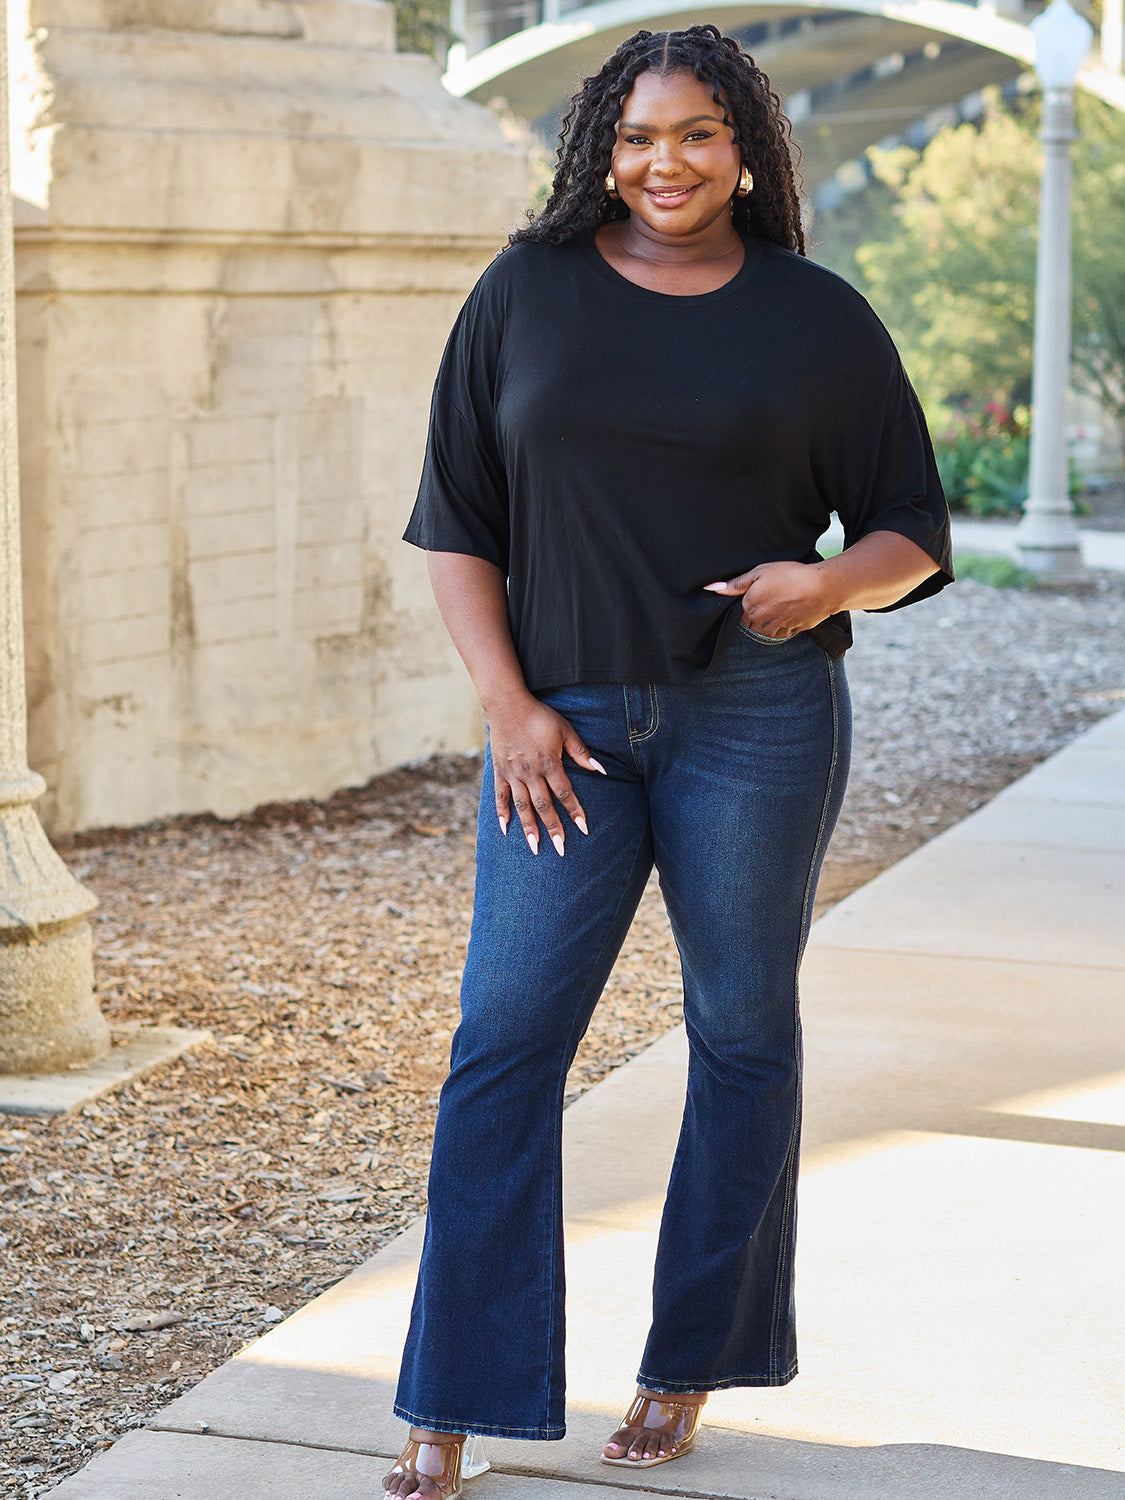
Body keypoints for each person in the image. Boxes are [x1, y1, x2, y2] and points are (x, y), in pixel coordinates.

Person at [383, 24, 952, 1500]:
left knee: (741, 1028)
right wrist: (507, 705)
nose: (665, 164)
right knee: (503, 1042)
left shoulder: (815, 318)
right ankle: (454, 1390)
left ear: (746, 148)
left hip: (756, 714)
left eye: (697, 133)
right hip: (559, 729)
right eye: (637, 138)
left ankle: (691, 1353)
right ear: (599, 150)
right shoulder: (525, 293)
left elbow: (906, 529)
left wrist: (824, 587)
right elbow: (457, 520)